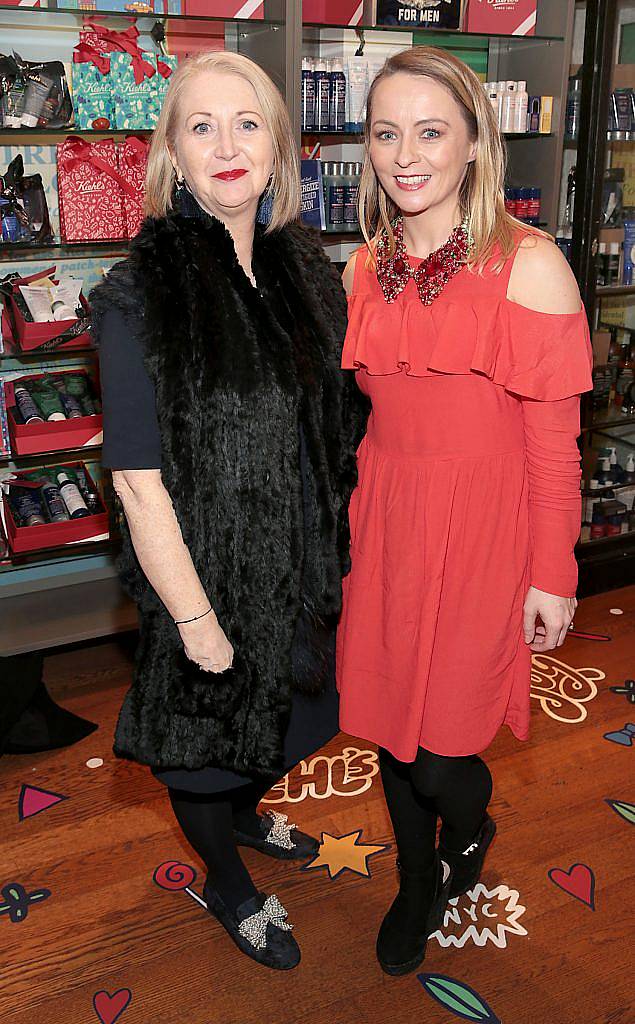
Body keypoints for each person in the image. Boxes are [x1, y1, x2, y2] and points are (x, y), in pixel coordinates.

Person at [89, 50, 360, 971]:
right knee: (204, 752)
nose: (227, 144)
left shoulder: (305, 273)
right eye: (200, 126)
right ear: (173, 154)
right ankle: (225, 880)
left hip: (305, 566)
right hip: (203, 578)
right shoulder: (142, 295)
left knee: (302, 720)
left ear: (279, 146)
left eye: (247, 122)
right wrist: (195, 621)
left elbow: (339, 420)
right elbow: (136, 479)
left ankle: (246, 813)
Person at [336, 47, 593, 977]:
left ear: (476, 142)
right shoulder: (361, 268)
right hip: (389, 520)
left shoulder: (530, 266)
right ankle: (415, 880)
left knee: (443, 753)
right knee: (391, 732)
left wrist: (551, 575)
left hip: (484, 532)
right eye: (386, 132)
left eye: (431, 131)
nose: (406, 154)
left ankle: (469, 834)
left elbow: (551, 446)